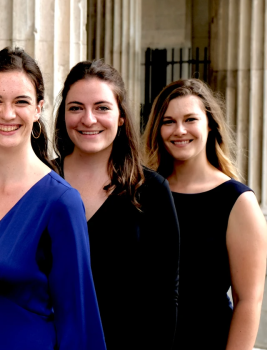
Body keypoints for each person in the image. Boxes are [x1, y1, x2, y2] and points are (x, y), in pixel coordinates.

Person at [0, 47, 105, 350]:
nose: (7, 113)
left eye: (21, 102)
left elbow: (78, 321)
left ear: (38, 109)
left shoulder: (61, 201)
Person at [52, 60, 179, 349]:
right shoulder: (41, 183)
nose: (88, 119)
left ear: (121, 116)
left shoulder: (152, 191)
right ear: (63, 115)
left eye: (102, 107)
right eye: (76, 107)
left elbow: (164, 297)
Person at [142, 79, 267, 350]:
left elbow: (249, 300)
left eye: (190, 119)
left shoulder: (238, 201)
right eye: (168, 121)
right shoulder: (144, 191)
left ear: (210, 125)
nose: (179, 130)